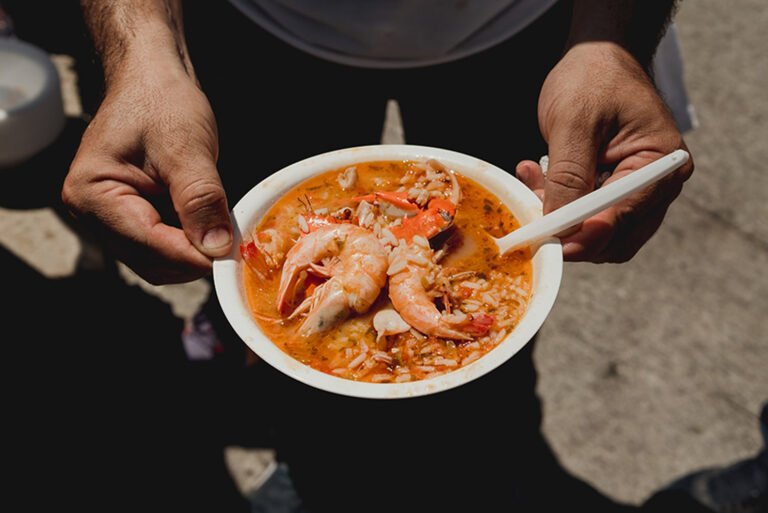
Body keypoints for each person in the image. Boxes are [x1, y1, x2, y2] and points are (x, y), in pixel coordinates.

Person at [61, 1, 695, 512]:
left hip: (529, 34)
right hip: (256, 30)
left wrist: (610, 40)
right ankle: (315, 464)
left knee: (495, 362)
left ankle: (487, 459)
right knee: (235, 250)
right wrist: (142, 54)